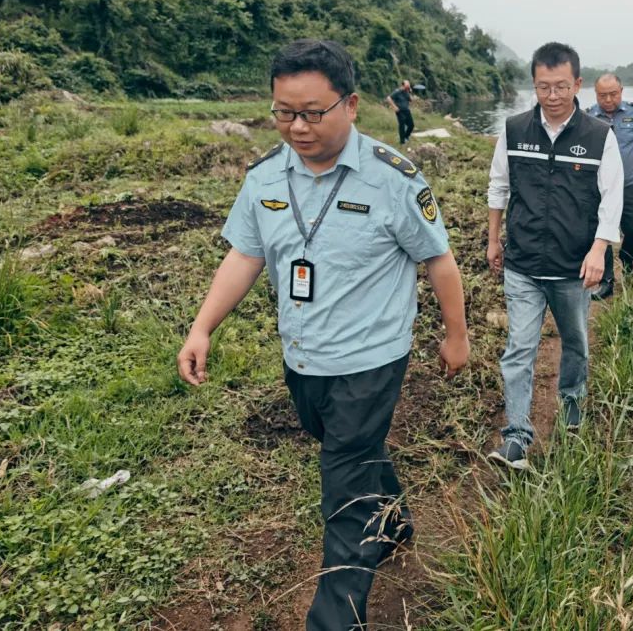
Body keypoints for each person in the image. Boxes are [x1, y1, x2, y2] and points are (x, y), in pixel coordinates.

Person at [177, 39, 469, 630]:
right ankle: (396, 519)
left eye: (313, 112)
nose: (298, 126)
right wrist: (202, 326)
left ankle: (336, 616)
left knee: (343, 482)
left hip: (371, 357)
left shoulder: (393, 179)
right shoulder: (264, 177)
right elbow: (244, 255)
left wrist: (456, 336)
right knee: (338, 443)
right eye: (285, 112)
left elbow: (440, 262)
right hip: (305, 355)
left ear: (352, 104)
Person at [486, 42, 623, 470]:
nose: (552, 96)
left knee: (575, 346)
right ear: (534, 85)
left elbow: (611, 198)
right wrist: (493, 239)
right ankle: (516, 436)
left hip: (572, 267)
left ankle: (571, 418)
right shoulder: (514, 130)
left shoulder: (599, 135)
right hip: (523, 263)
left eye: (561, 86)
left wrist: (600, 248)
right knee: (519, 347)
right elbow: (498, 187)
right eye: (543, 87)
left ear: (577, 84)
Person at [586, 74, 633, 300]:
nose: (608, 99)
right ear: (595, 93)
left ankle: (628, 260)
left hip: (630, 185)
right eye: (602, 95)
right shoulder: (589, 117)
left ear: (622, 90)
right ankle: (606, 280)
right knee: (603, 232)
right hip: (600, 188)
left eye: (613, 94)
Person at [388, 79, 416, 144]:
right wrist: (394, 107)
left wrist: (410, 92)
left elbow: (411, 100)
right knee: (402, 125)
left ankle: (406, 136)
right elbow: (388, 98)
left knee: (411, 125)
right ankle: (402, 142)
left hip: (407, 110)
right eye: (406, 86)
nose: (407, 88)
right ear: (403, 85)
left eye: (408, 86)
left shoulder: (406, 92)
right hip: (399, 111)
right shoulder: (397, 91)